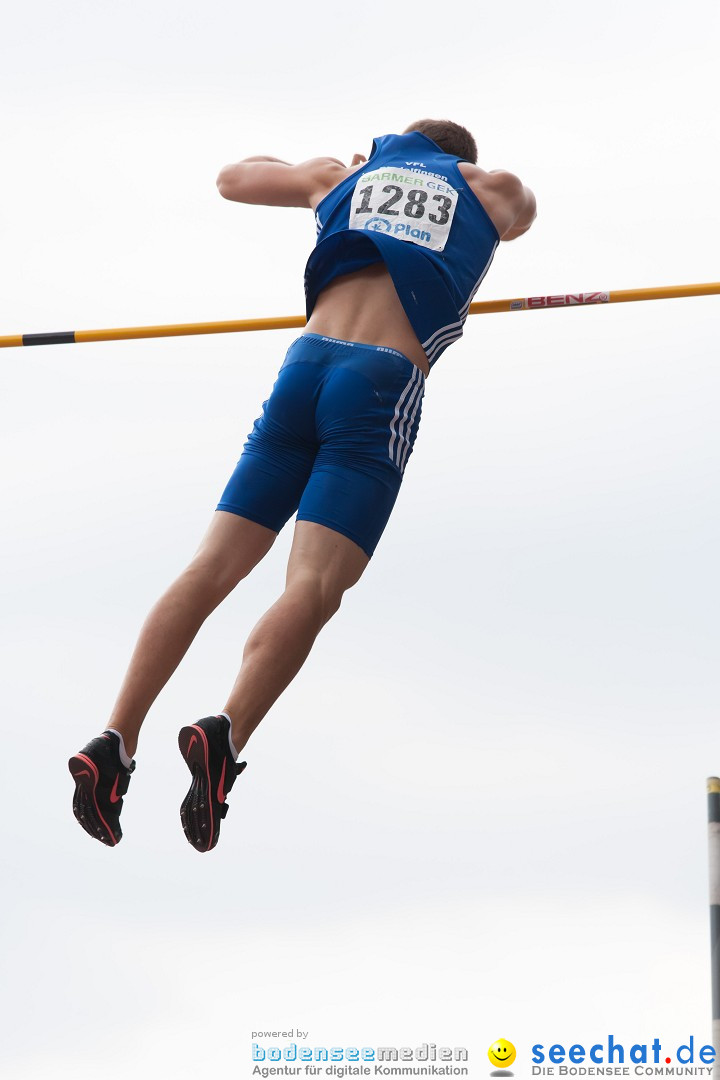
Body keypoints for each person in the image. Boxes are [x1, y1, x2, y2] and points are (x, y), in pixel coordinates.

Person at [68, 119, 536, 852]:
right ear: (460, 157)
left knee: (209, 569)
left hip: (304, 367)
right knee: (313, 587)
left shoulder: (334, 177)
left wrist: (349, 173)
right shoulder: (484, 186)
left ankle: (113, 740)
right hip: (380, 380)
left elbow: (234, 176)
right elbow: (520, 217)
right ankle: (225, 732)